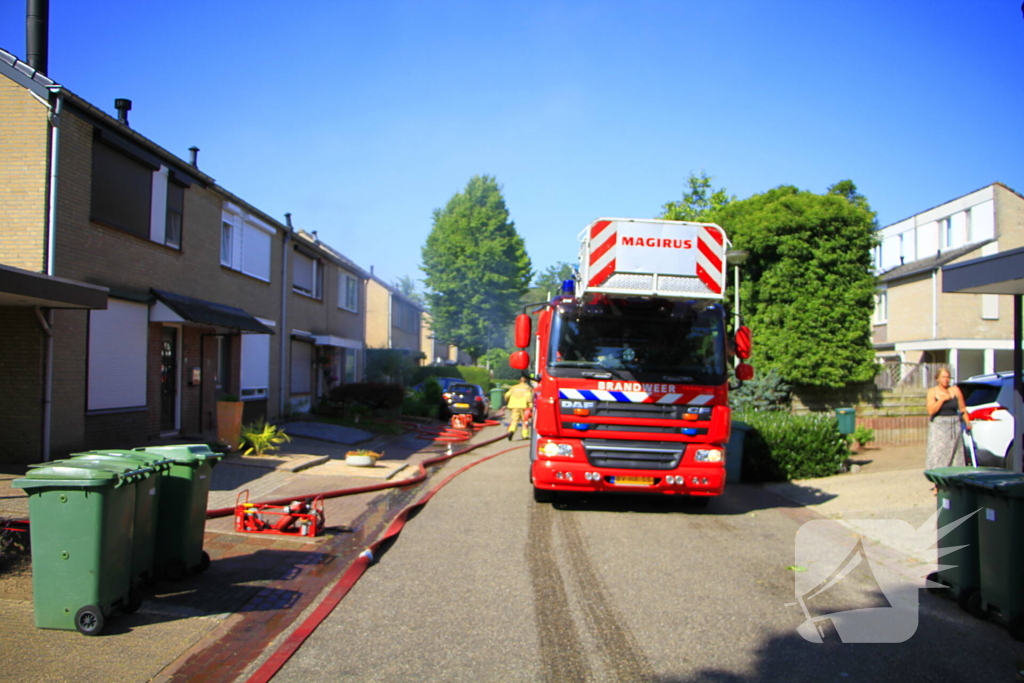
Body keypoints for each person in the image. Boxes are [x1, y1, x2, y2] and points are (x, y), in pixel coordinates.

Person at [925, 367, 971, 471]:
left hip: (954, 426)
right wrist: (942, 400)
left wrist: (968, 423)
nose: (946, 379)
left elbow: (962, 408)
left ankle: (955, 480)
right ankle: (938, 482)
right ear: (938, 378)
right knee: (939, 455)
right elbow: (931, 411)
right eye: (943, 377)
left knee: (956, 455)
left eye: (948, 377)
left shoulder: (955, 390)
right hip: (939, 427)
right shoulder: (932, 391)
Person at [504, 374, 533, 441]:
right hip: (524, 407)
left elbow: (506, 395)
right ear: (526, 381)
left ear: (519, 381)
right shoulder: (527, 388)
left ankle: (511, 431)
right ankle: (525, 435)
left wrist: (508, 401)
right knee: (525, 421)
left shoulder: (514, 387)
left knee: (514, 420)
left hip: (514, 406)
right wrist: (531, 405)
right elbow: (529, 398)